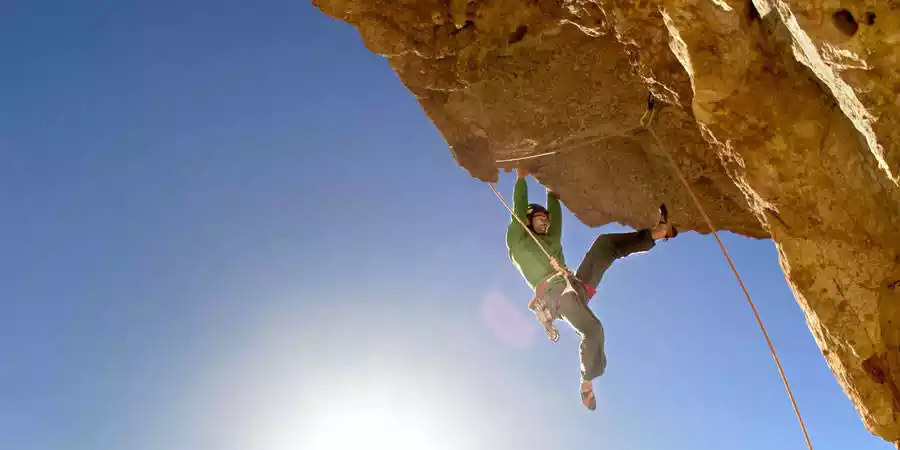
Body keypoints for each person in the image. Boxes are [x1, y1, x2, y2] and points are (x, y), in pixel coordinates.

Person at [505, 166, 678, 411]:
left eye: (546, 218)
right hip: (556, 297)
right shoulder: (518, 242)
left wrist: (549, 189)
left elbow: (554, 206)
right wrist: (521, 179)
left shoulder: (551, 240)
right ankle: (586, 381)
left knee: (604, 246)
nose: (545, 221)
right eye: (539, 218)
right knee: (594, 330)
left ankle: (657, 233)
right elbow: (518, 211)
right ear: (528, 220)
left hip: (577, 286)